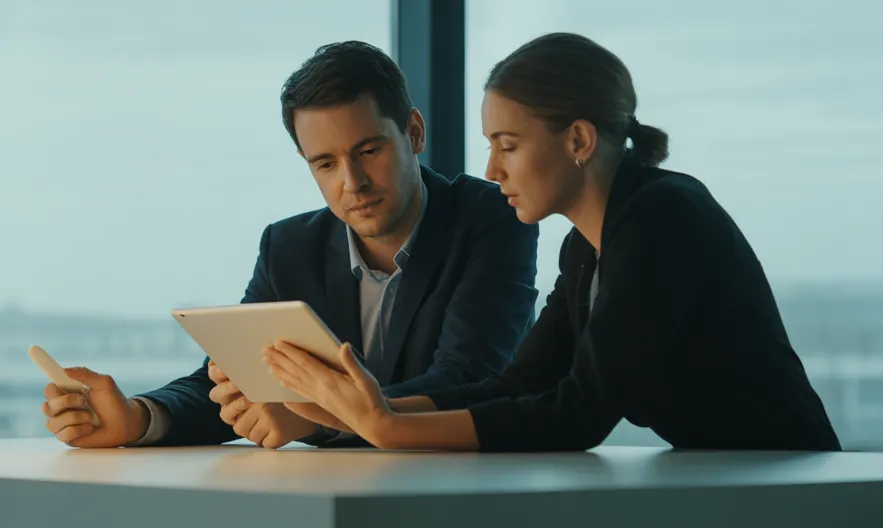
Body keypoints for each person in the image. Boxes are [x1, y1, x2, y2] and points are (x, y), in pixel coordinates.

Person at [266, 32, 842, 452]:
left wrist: (388, 428)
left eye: (508, 145)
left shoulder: (663, 218)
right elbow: (521, 385)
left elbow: (579, 416)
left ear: (579, 140)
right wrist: (359, 410)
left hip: (799, 491)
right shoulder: (585, 249)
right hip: (729, 486)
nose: (491, 170)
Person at [41, 41, 540, 449]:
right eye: (325, 163)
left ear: (413, 132)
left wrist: (321, 417)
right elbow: (234, 383)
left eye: (369, 151)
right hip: (334, 498)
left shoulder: (493, 219)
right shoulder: (289, 246)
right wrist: (138, 417)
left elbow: (468, 379)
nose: (353, 182)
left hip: (469, 492)